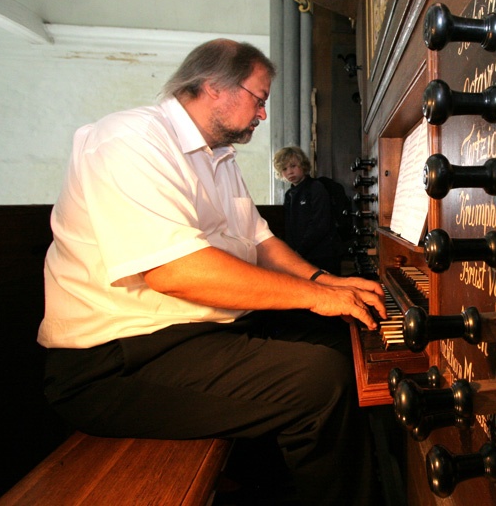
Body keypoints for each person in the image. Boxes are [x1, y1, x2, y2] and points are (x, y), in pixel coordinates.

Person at [38, 38, 386, 506]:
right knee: (321, 381)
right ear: (214, 86)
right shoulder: (129, 140)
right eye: (259, 99)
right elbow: (176, 271)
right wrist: (314, 296)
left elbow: (261, 243)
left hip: (195, 333)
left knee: (340, 335)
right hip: (116, 360)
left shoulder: (218, 156)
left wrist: (323, 283)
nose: (263, 114)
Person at [274, 146, 341, 276]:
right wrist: (291, 252)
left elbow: (320, 225)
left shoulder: (316, 188)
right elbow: (289, 227)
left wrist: (300, 251)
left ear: (303, 165)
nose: (289, 172)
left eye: (293, 166)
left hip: (321, 255)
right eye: (284, 169)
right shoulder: (289, 194)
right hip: (299, 256)